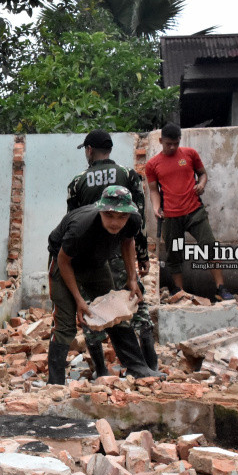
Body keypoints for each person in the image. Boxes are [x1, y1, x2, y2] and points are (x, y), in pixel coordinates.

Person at [47, 185, 163, 383]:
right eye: (109, 215)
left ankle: (138, 368)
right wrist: (79, 299)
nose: (115, 223)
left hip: (96, 263)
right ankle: (55, 382)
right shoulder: (81, 226)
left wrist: (132, 278)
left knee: (116, 313)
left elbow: (128, 242)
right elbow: (63, 260)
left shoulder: (133, 219)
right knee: (65, 323)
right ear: (100, 210)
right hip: (64, 264)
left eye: (121, 217)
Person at [66, 130, 158, 377]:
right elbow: (138, 220)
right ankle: (149, 368)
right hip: (121, 253)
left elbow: (72, 222)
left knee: (94, 310)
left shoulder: (78, 181)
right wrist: (142, 256)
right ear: (110, 150)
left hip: (89, 259)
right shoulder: (127, 174)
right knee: (136, 304)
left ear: (89, 150)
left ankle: (102, 373)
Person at [146, 122, 233, 301]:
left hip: (195, 213)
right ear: (161, 140)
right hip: (171, 217)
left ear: (180, 140)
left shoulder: (190, 154)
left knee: (209, 246)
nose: (172, 147)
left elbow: (203, 173)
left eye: (175, 143)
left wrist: (201, 184)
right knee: (175, 253)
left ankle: (221, 288)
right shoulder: (152, 164)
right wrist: (156, 207)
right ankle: (179, 291)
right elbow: (154, 190)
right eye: (168, 143)